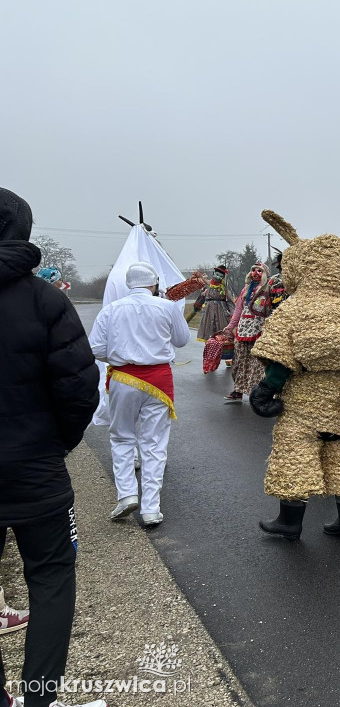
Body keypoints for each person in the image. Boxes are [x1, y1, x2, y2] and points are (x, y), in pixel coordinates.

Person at [0, 187, 107, 707]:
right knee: (51, 578)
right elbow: (80, 389)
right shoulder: (47, 301)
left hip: (35, 463)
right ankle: (39, 699)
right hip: (37, 472)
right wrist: (55, 447)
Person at [250, 211, 340, 541]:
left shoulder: (298, 307)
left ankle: (289, 521)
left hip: (306, 399)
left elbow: (281, 357)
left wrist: (266, 388)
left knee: (295, 451)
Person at [89, 262, 190, 527]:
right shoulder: (167, 306)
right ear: (153, 283)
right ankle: (151, 508)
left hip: (123, 377)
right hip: (158, 379)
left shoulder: (111, 309)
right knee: (154, 442)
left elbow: (96, 348)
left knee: (122, 437)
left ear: (128, 283)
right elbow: (181, 341)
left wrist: (121, 354)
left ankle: (126, 495)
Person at [222, 262, 273, 402]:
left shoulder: (268, 289)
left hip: (259, 331)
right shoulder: (245, 290)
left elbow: (271, 311)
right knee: (239, 361)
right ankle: (238, 389)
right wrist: (230, 326)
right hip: (242, 330)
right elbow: (238, 310)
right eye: (253, 270)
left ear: (264, 274)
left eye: (259, 270)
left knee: (257, 364)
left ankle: (257, 392)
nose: (255, 273)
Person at [193, 265, 235, 345]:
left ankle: (221, 349)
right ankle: (209, 349)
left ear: (223, 277)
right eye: (217, 274)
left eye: (220, 276)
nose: (218, 277)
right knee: (208, 331)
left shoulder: (224, 288)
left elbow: (229, 302)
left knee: (221, 333)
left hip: (221, 312)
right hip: (208, 311)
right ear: (213, 273)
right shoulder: (207, 285)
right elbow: (201, 297)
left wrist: (233, 314)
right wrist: (197, 305)